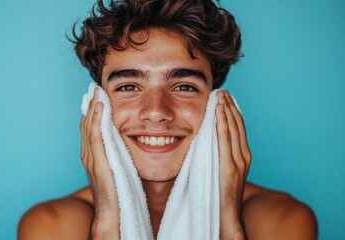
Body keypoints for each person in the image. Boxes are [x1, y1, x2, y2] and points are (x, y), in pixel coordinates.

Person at [18, 0, 318, 239]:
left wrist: (229, 223)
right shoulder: (49, 225)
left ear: (218, 103)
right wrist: (108, 223)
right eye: (128, 86)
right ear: (95, 102)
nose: (157, 111)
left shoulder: (283, 220)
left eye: (184, 86)